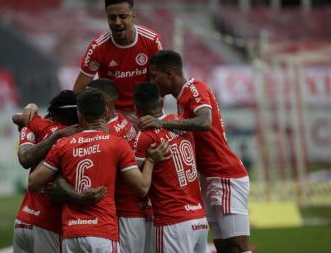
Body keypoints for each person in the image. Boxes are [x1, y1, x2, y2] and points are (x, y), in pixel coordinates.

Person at [28, 88, 167, 253]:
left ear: (79, 114)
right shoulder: (116, 144)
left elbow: (33, 184)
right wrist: (151, 160)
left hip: (72, 234)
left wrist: (65, 184)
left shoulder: (62, 145)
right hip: (102, 232)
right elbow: (142, 188)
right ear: (106, 110)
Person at [140, 50, 251, 253]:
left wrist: (161, 122)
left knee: (238, 247)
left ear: (169, 74)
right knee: (224, 248)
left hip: (224, 173)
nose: (151, 81)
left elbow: (204, 122)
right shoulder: (182, 100)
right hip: (209, 176)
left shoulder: (194, 88)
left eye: (154, 76)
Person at [13, 90, 106, 253]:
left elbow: (18, 118)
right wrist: (79, 197)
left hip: (23, 220)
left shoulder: (40, 124)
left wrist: (29, 107)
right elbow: (54, 179)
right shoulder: (76, 138)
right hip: (48, 222)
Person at [133, 82, 208, 253]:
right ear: (161, 102)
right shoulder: (182, 124)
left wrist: (150, 161)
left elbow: (136, 184)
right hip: (199, 219)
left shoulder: (145, 137)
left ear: (136, 109)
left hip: (172, 221)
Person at [73, 0, 163, 124]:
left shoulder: (152, 41)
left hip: (144, 110)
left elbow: (160, 82)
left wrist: (155, 112)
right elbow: (78, 90)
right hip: (112, 113)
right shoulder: (98, 47)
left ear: (133, 16)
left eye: (123, 16)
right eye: (112, 17)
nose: (117, 22)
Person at [88, 78, 155, 253]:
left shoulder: (111, 132)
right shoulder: (121, 121)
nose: (86, 102)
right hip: (131, 210)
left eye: (91, 98)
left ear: (106, 104)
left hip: (126, 211)